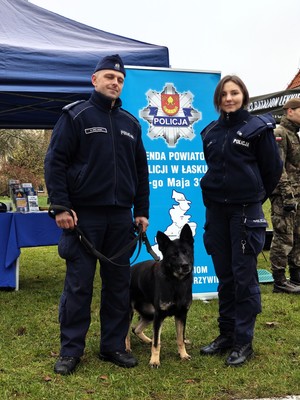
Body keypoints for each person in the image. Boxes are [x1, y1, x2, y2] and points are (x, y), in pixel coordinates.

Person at [44, 54, 150, 375]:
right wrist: (61, 207)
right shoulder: (76, 116)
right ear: (95, 80)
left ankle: (113, 346)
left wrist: (141, 211)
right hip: (82, 218)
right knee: (79, 285)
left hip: (120, 219)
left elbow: (140, 172)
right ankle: (71, 350)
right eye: (109, 77)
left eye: (119, 80)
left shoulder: (131, 124)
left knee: (118, 286)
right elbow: (55, 162)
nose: (115, 83)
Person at [199, 75, 283, 366]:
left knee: (244, 279)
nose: (229, 98)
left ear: (243, 96)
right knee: (225, 276)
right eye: (224, 94)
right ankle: (227, 334)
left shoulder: (257, 129)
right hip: (216, 213)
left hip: (245, 213)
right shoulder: (210, 131)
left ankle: (244, 341)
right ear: (218, 99)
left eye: (234, 93)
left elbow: (272, 170)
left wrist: (253, 198)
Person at [269, 98, 300, 294]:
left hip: (297, 195)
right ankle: (279, 280)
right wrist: (287, 195)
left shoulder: (294, 135)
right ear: (289, 111)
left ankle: (296, 276)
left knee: (297, 236)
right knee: (283, 236)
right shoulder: (279, 133)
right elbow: (277, 167)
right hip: (284, 196)